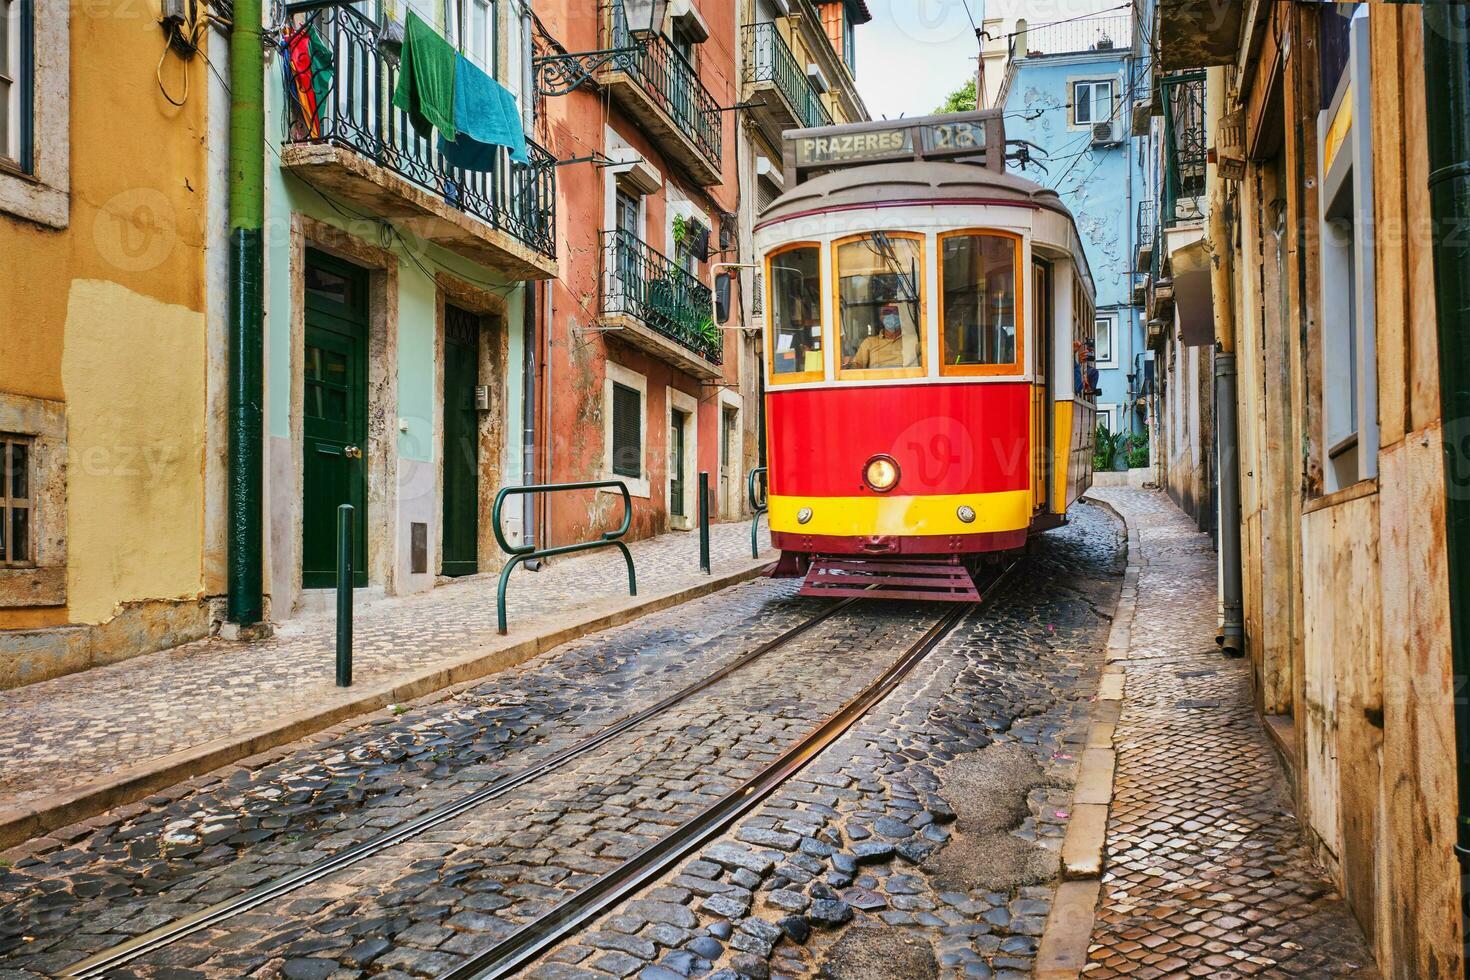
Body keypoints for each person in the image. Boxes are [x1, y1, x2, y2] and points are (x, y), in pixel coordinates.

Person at [848, 304, 909, 369]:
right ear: (881, 317)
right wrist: (849, 364)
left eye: (896, 312)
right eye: (887, 312)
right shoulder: (869, 342)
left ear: (902, 316)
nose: (892, 315)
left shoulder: (912, 340)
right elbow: (857, 366)